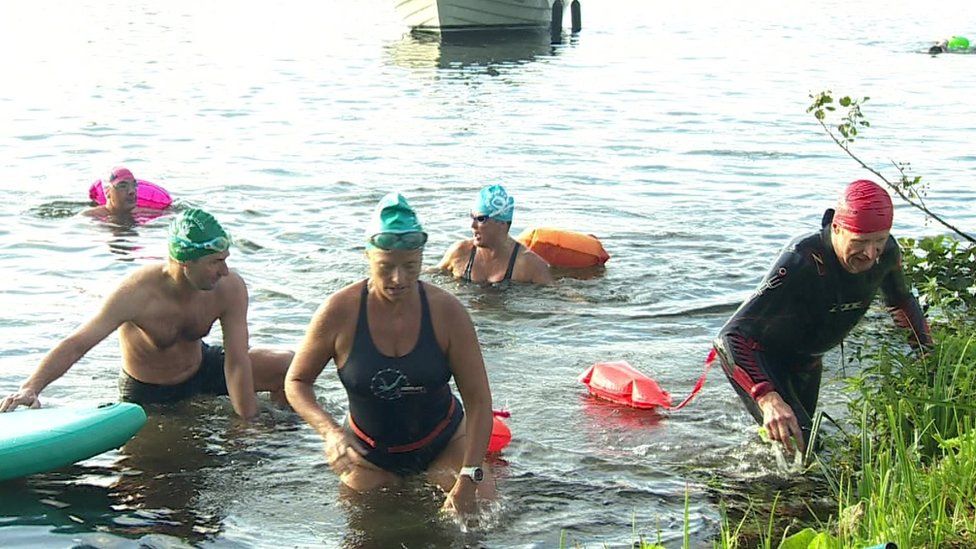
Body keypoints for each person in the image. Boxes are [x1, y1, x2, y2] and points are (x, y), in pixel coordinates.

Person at [285, 192, 495, 517]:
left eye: (411, 266)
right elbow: (296, 381)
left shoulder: (447, 313)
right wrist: (330, 433)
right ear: (368, 257)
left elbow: (479, 400)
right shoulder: (338, 312)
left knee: (477, 518)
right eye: (386, 267)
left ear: (422, 258)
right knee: (368, 531)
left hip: (445, 444)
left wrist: (469, 475)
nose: (399, 279)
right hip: (367, 454)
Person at [0, 208, 293, 419]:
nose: (225, 270)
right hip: (148, 393)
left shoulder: (229, 288)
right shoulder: (136, 293)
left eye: (226, 260)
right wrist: (31, 387)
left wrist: (246, 423)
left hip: (201, 369)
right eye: (216, 262)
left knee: (287, 366)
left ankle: (291, 438)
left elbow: (237, 361)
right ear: (184, 261)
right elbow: (79, 343)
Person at [713, 180, 932, 455]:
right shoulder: (802, 259)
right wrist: (767, 398)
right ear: (837, 229)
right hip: (760, 359)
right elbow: (729, 337)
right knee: (804, 447)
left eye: (880, 240)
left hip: (807, 361)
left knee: (799, 449)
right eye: (860, 242)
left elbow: (901, 302)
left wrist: (930, 359)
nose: (871, 254)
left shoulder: (887, 254)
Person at [434, 184, 552, 285]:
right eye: (472, 217)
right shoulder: (460, 253)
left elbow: (556, 295)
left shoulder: (529, 265)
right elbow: (430, 275)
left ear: (502, 223)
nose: (472, 226)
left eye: (480, 219)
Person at [84, 166, 162, 219]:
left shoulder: (143, 213)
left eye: (134, 185)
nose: (132, 191)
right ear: (108, 191)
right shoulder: (91, 217)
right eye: (123, 186)